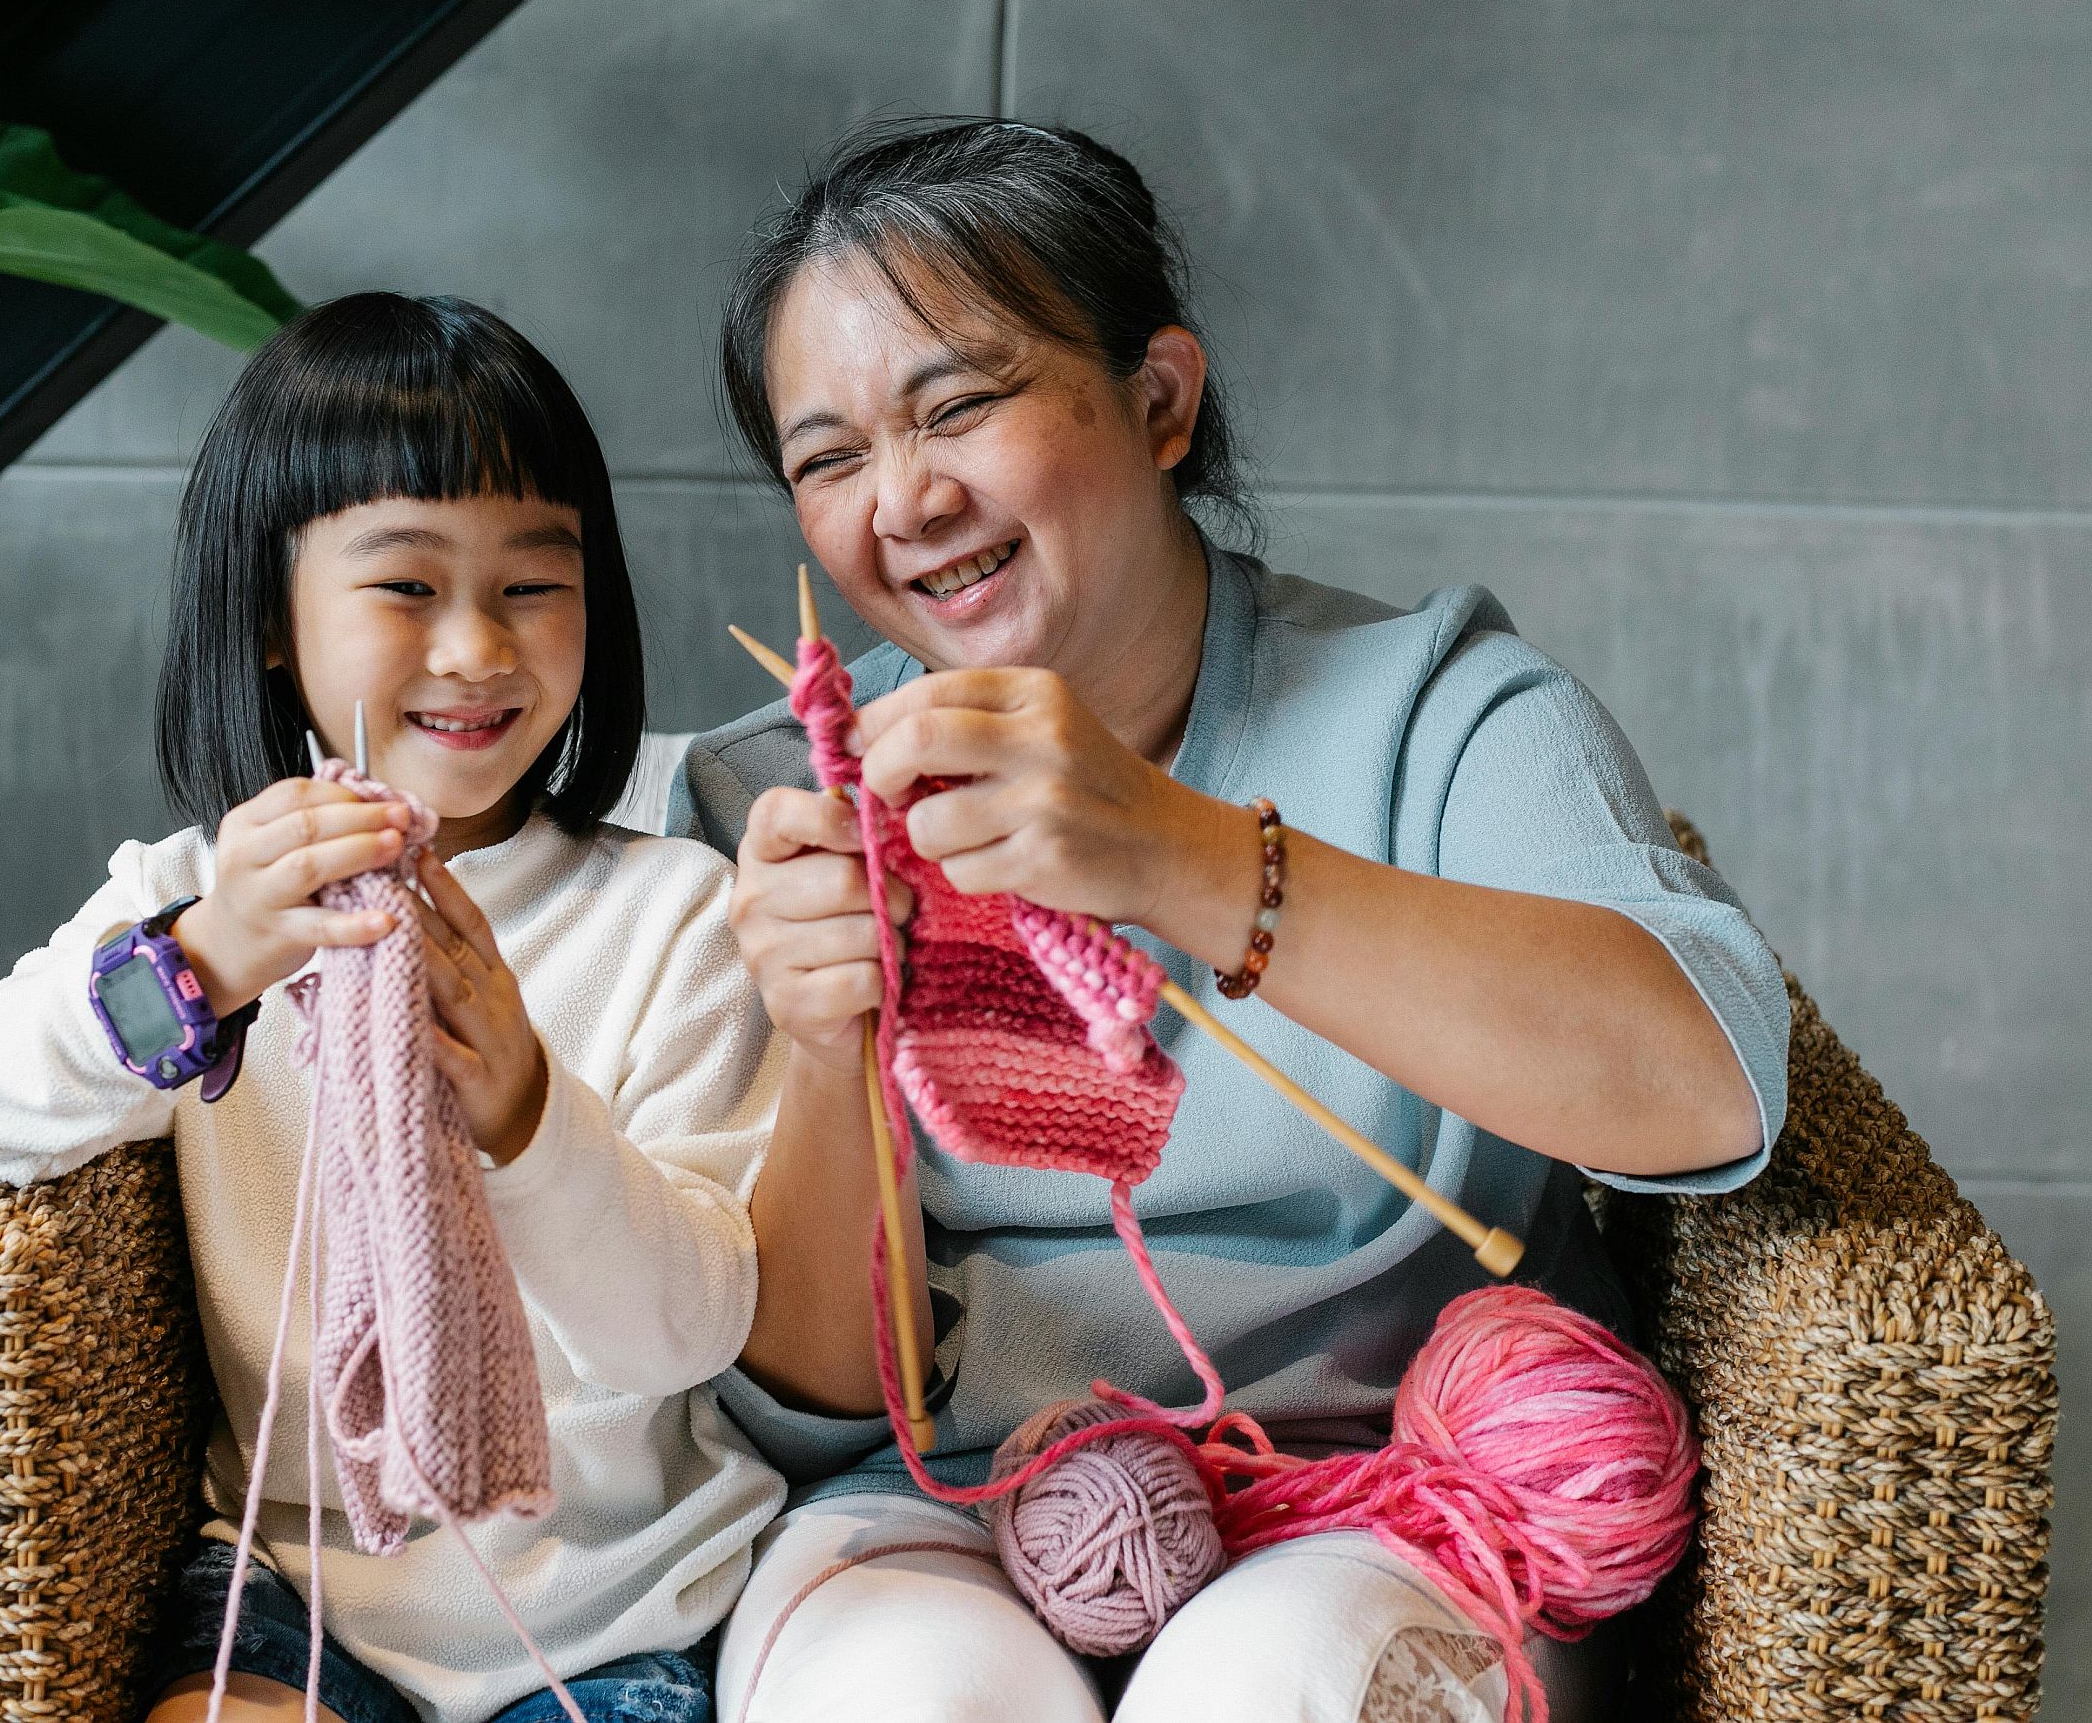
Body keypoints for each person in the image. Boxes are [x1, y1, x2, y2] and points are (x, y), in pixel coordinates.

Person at [673, 119, 1790, 1723]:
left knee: (1264, 1687)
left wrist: (1192, 858)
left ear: (1161, 399)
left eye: (961, 405)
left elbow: (1710, 1087)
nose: (905, 500)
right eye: (828, 457)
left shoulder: (1443, 713)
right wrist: (821, 1043)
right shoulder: (766, 806)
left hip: (1390, 1504)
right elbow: (810, 1405)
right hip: (946, 1515)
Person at [0, 294, 786, 1723]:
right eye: (405, 588)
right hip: (293, 1589)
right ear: (274, 616)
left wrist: (527, 1115)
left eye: (532, 584)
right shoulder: (201, 892)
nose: (475, 650)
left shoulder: (673, 916)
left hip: (612, 1613)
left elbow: (691, 1329)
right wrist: (202, 963)